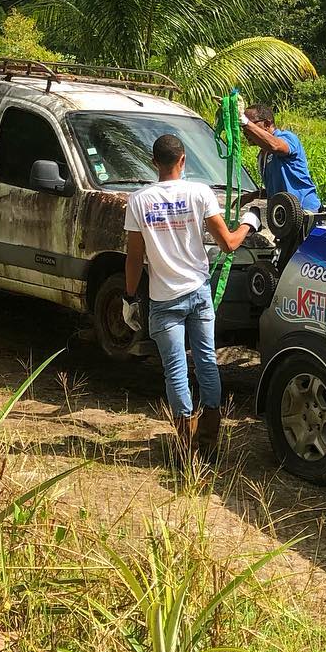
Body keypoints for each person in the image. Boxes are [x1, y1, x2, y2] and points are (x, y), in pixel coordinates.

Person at [123, 133, 260, 456]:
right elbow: (228, 243)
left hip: (163, 298)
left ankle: (187, 441)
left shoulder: (138, 201)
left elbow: (133, 257)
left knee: (175, 370)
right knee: (206, 362)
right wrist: (248, 223)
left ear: (153, 162)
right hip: (198, 293)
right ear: (182, 160)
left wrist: (129, 297)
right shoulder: (199, 193)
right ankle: (210, 440)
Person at [241, 103, 321, 211]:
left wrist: (245, 122)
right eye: (243, 128)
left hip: (305, 212)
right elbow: (277, 189)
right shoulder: (263, 155)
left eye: (250, 125)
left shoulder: (287, 137)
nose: (245, 131)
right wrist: (253, 196)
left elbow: (276, 146)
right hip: (284, 218)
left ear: (267, 124)